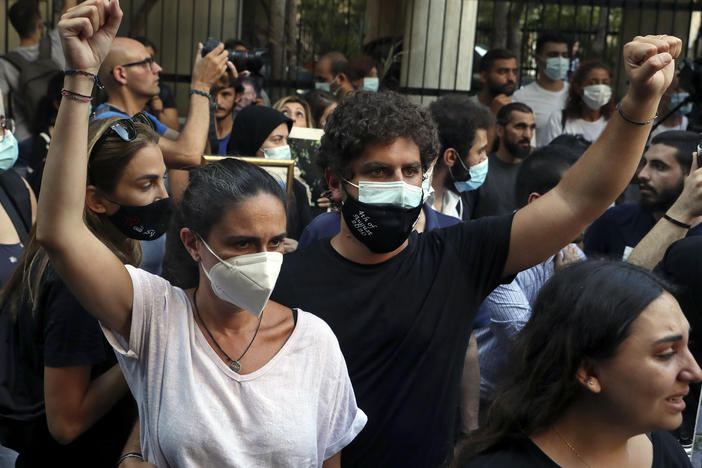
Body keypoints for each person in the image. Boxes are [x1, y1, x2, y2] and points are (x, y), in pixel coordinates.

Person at [271, 31, 681, 466]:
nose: (399, 185)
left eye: (411, 170)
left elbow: (578, 200)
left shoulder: (457, 258)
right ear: (336, 183)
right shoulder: (288, 279)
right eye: (378, 171)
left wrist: (640, 100)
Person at [36, 2, 366, 466]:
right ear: (194, 244)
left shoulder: (316, 342)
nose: (264, 258)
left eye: (275, 243)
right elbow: (59, 230)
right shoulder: (157, 319)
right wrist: (79, 78)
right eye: (243, 244)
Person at [0, 114, 165, 466]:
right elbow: (66, 422)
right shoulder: (75, 286)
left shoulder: (96, 260)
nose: (163, 197)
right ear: (97, 200)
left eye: (162, 180)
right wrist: (146, 346)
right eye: (147, 184)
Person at [456, 260, 700, 468]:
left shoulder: (665, 451)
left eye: (689, 346)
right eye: (667, 353)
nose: (695, 372)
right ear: (588, 371)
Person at [475, 145, 583, 411]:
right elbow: (525, 343)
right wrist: (564, 287)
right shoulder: (494, 250)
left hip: (529, 399)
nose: (592, 210)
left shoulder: (571, 251)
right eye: (579, 200)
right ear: (537, 202)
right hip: (482, 401)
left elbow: (591, 328)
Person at [95, 35, 230, 169]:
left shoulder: (145, 119)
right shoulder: (111, 124)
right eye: (146, 63)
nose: (158, 68)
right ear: (121, 74)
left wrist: (210, 93)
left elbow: (201, 150)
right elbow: (189, 156)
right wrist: (201, 85)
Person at [585, 130, 702, 260]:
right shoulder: (614, 221)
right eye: (644, 163)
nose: (642, 175)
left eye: (659, 167)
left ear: (694, 174)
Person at [229, 105, 313, 244]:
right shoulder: (224, 187)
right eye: (277, 140)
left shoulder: (295, 188)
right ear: (252, 140)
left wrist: (298, 248)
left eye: (286, 140)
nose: (285, 147)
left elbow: (308, 242)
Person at [0, 0, 76, 141]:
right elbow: (70, 11)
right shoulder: (56, 41)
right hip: (62, 130)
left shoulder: (5, 63)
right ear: (39, 24)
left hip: (27, 138)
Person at [427, 94, 494, 220]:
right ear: (451, 157)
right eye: (480, 151)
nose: (485, 158)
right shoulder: (414, 210)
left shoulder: (457, 202)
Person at [466, 102, 535, 219]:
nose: (528, 135)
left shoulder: (536, 171)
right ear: (499, 130)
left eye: (531, 127)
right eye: (520, 127)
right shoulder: (480, 171)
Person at [513, 32, 570, 147]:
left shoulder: (577, 95)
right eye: (553, 55)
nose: (560, 60)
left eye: (564, 55)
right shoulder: (520, 98)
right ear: (537, 59)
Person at [542, 60, 614, 145]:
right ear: (578, 88)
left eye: (605, 83)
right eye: (593, 83)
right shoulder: (560, 119)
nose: (600, 88)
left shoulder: (614, 123)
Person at [133, 36, 179, 131]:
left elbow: (174, 131)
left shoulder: (162, 91)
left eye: (151, 60)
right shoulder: (112, 112)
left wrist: (159, 112)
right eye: (145, 61)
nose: (157, 68)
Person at [474, 48, 518, 116]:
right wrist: (492, 114)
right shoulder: (466, 109)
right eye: (503, 72)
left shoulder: (518, 109)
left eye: (514, 72)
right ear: (484, 76)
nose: (511, 78)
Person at [650, 71, 691, 138]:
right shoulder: (647, 124)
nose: (685, 94)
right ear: (663, 93)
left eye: (687, 89)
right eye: (677, 90)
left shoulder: (688, 125)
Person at [209, 72, 236, 155]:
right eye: (213, 94)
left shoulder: (243, 138)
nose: (218, 101)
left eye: (225, 94)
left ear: (238, 97)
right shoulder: (193, 136)